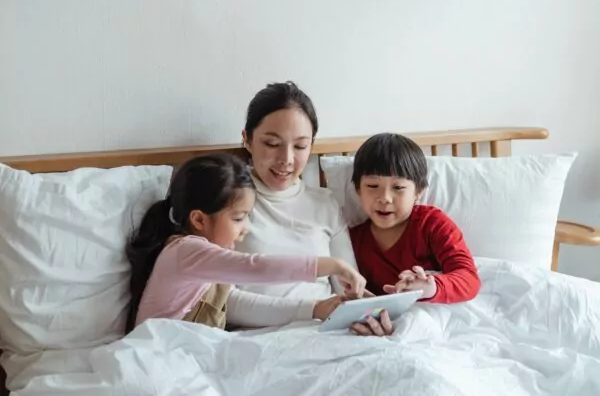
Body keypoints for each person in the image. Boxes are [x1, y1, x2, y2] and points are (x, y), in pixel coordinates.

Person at [125, 153, 366, 333]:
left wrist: (315, 308)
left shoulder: (205, 265)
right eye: (239, 218)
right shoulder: (187, 251)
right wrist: (333, 265)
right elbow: (256, 267)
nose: (245, 229)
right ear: (199, 219)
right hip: (157, 356)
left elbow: (239, 303)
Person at [224, 81, 367, 328]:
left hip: (328, 333)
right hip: (258, 341)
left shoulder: (325, 203)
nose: (287, 160)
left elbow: (350, 290)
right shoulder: (226, 204)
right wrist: (312, 310)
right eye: (272, 144)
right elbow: (223, 303)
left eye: (300, 146)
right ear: (247, 140)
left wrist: (371, 315)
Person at [348, 133, 482, 336]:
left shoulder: (432, 224)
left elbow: (469, 279)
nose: (384, 198)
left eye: (398, 187)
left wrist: (431, 287)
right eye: (373, 186)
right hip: (392, 325)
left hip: (438, 319)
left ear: (418, 191)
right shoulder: (351, 241)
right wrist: (372, 317)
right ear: (358, 189)